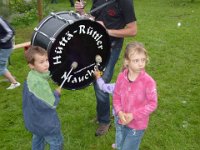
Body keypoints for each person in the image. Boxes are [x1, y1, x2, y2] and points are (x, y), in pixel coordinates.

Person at [75, 0, 137, 136]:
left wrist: (107, 31)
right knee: (95, 79)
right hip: (95, 44)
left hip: (112, 46)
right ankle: (103, 113)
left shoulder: (125, 2)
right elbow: (94, 20)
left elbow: (133, 30)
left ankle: (104, 121)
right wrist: (82, 13)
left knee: (100, 81)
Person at [113, 42, 158, 150]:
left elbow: (153, 103)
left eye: (143, 60)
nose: (141, 64)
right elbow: (116, 96)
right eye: (136, 60)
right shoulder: (121, 77)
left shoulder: (148, 82)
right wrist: (119, 112)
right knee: (120, 144)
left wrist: (133, 115)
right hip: (121, 120)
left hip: (137, 126)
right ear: (127, 62)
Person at [22, 46, 63, 150]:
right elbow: (52, 103)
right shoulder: (40, 84)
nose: (46, 64)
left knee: (38, 138)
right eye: (41, 62)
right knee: (56, 142)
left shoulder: (31, 77)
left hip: (34, 121)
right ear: (31, 65)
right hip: (46, 124)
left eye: (46, 60)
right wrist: (56, 94)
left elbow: (43, 75)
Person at [0, 16, 20, 90]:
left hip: (6, 47)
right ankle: (10, 78)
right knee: (2, 66)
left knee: (1, 68)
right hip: (3, 47)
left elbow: (11, 32)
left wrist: (2, 41)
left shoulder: (0, 21)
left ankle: (14, 83)